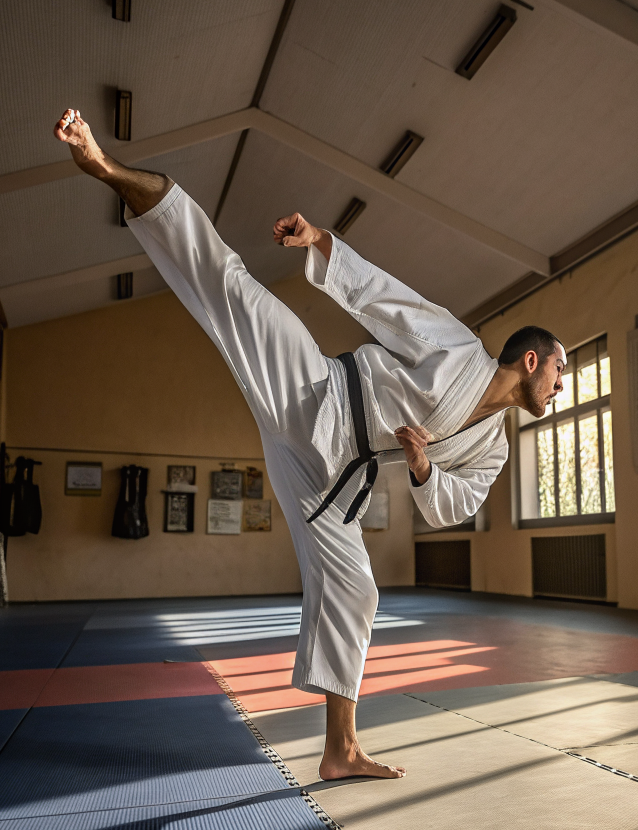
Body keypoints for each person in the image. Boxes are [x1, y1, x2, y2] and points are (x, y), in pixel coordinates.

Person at [53, 108, 566, 780]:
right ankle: (106, 166)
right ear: (530, 360)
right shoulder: (457, 346)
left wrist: (419, 471)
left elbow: (454, 506)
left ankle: (340, 749)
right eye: (560, 372)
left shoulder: (493, 444)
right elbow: (388, 300)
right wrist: (324, 242)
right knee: (230, 286)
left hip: (330, 479)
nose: (560, 388)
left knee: (356, 591)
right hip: (314, 391)